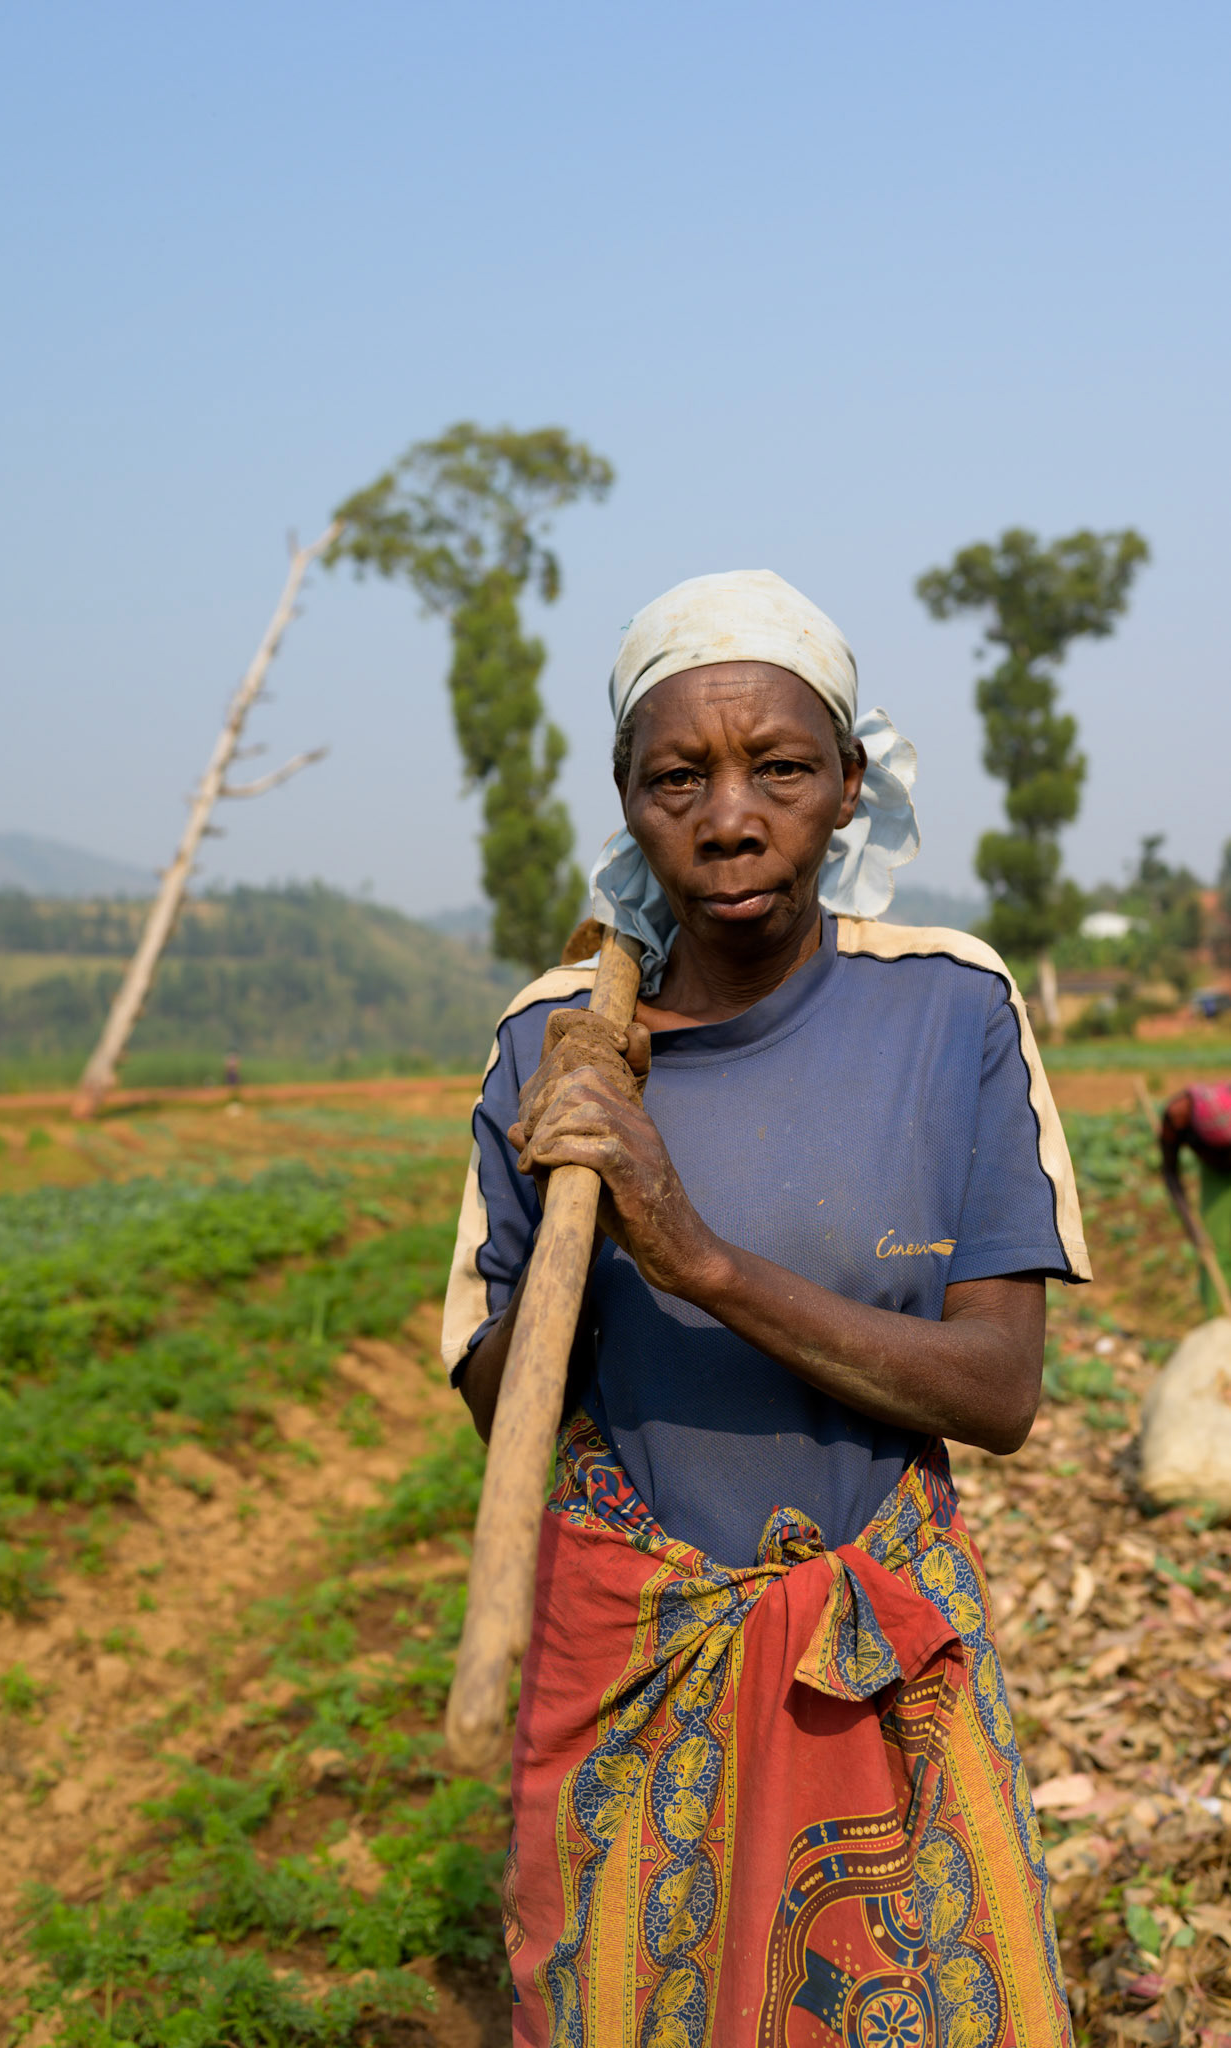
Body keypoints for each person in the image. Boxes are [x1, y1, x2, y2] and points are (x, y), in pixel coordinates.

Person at [442, 570, 1089, 2048]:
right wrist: (564, 1191)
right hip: (633, 1651)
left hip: (880, 1642)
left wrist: (695, 1255)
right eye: (677, 777)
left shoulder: (948, 1011)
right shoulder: (549, 1047)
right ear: (625, 795)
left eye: (779, 769)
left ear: (850, 784)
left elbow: (996, 1394)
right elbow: (510, 1418)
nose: (728, 818)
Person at [1160, 1082, 1231, 1313]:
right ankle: (1219, 1316)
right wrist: (1193, 1227)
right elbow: (1170, 1172)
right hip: (1214, 1173)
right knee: (1215, 1242)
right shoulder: (1178, 1116)